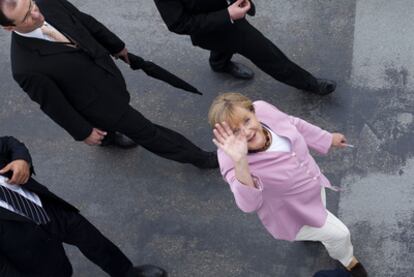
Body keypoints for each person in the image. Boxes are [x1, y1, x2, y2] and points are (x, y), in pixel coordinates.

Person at [0, 0, 217, 169]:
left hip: (108, 76)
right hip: (97, 105)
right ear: (10, 28)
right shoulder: (25, 69)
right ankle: (200, 158)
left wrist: (116, 46)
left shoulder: (47, 3)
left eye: (31, 5)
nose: (36, 14)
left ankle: (108, 138)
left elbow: (84, 21)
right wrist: (83, 132)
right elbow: (54, 105)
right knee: (148, 132)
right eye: (27, 17)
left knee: (114, 122)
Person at [209, 93, 367, 277]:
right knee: (340, 235)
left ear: (254, 112)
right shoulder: (229, 157)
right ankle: (347, 260)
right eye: (235, 132)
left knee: (323, 223)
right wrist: (241, 161)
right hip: (294, 213)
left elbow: (293, 123)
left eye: (246, 120)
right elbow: (248, 205)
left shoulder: (264, 109)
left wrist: (326, 138)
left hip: (314, 188)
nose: (246, 132)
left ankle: (319, 236)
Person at [0, 136, 167, 277]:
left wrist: (21, 159)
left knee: (95, 242)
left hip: (45, 208)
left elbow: (8, 143)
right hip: (23, 246)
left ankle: (127, 273)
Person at [154, 0, 336, 95]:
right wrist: (227, 14)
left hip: (226, 17)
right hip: (212, 28)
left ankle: (219, 63)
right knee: (268, 54)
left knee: (224, 45)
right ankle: (309, 84)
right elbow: (178, 23)